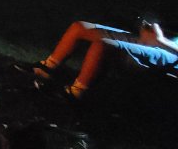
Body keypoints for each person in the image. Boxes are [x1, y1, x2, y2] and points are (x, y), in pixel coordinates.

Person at [15, 19, 178, 99]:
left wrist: (161, 40)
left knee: (102, 44)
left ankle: (75, 94)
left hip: (171, 55)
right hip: (164, 41)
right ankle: (45, 69)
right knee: (79, 27)